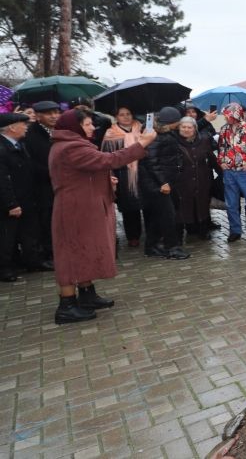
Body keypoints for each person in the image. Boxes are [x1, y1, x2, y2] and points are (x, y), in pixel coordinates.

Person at [49, 109, 156, 324]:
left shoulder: (71, 145)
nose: (92, 128)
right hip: (75, 209)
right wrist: (142, 143)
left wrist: (105, 180)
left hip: (82, 205)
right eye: (87, 124)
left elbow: (87, 171)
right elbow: (109, 160)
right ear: (75, 127)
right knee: (70, 253)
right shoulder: (71, 147)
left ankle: (87, 294)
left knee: (84, 249)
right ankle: (67, 305)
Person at [0, 113, 51, 281]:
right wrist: (10, 203)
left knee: (30, 231)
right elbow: (3, 180)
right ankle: (5, 268)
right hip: (11, 201)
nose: (26, 127)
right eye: (23, 124)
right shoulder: (3, 149)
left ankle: (33, 261)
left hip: (27, 197)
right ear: (12, 127)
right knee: (8, 236)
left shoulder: (20, 145)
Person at [139, 107, 188, 260]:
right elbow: (152, 162)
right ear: (172, 121)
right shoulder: (155, 136)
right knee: (168, 216)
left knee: (158, 216)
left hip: (163, 181)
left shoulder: (164, 133)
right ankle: (172, 248)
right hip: (158, 184)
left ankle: (151, 246)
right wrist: (163, 182)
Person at [216, 103, 246, 242]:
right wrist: (221, 162)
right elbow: (221, 148)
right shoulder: (224, 129)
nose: (226, 118)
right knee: (231, 204)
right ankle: (235, 230)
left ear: (236, 114)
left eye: (229, 115)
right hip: (229, 172)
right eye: (225, 115)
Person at [101, 107, 144, 249]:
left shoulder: (142, 129)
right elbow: (107, 158)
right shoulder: (110, 134)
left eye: (128, 114)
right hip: (123, 174)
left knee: (148, 204)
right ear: (116, 117)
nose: (126, 117)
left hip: (143, 172)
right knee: (129, 207)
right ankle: (133, 236)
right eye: (122, 115)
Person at [25, 100, 61, 263]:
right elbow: (31, 162)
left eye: (56, 112)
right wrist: (52, 173)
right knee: (46, 221)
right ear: (38, 116)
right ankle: (48, 254)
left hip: (60, 184)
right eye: (49, 113)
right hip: (42, 186)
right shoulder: (31, 134)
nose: (54, 116)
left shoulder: (59, 131)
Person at [175, 117, 217, 241]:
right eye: (183, 127)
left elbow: (212, 159)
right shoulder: (174, 142)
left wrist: (221, 173)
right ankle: (187, 229)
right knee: (184, 206)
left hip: (202, 179)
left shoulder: (204, 140)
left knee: (202, 204)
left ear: (195, 129)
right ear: (179, 128)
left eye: (190, 127)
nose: (186, 130)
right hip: (182, 181)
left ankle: (203, 231)